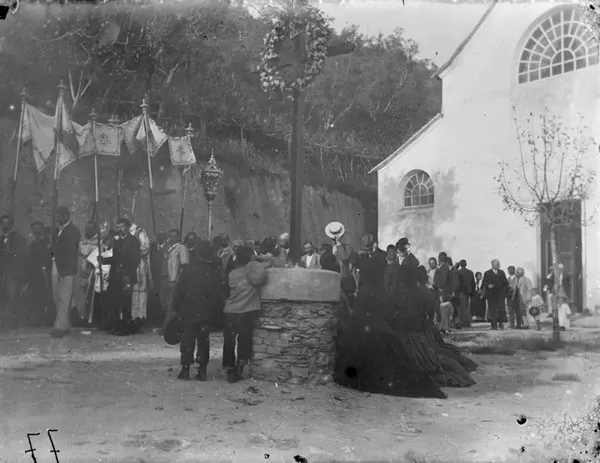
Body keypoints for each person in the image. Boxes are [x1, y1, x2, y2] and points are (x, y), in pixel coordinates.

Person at [174, 240, 224, 381]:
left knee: (187, 339)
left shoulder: (187, 271)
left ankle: (185, 369)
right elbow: (217, 295)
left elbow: (179, 292)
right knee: (203, 340)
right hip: (205, 312)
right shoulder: (213, 273)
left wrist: (176, 308)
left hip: (188, 310)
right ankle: (202, 371)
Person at [223, 246, 271, 383]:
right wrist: (259, 259)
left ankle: (230, 369)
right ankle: (240, 366)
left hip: (230, 310)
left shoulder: (232, 273)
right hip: (246, 310)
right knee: (244, 340)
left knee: (229, 342)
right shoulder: (254, 269)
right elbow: (264, 272)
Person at [99, 217, 140, 336]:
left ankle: (125, 327)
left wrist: (128, 274)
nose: (119, 229)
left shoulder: (133, 241)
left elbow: (135, 260)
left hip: (126, 276)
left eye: (122, 226)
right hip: (115, 275)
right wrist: (105, 260)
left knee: (125, 303)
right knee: (114, 301)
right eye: (118, 227)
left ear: (128, 227)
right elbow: (116, 258)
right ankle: (115, 325)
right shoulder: (118, 242)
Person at [50, 207, 81, 337]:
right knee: (57, 296)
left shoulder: (73, 231)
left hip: (66, 268)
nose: (57, 219)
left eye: (59, 217)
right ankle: (65, 323)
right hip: (57, 264)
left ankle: (60, 327)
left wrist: (65, 268)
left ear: (65, 217)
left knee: (64, 297)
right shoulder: (59, 230)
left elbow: (70, 252)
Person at [122, 212, 152, 332]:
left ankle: (139, 318)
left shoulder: (139, 232)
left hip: (138, 265)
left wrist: (131, 252)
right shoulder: (124, 232)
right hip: (127, 265)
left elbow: (145, 248)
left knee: (139, 292)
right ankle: (128, 318)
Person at [0, 215, 28, 329]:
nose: (5, 226)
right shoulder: (0, 239)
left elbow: (23, 254)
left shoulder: (18, 238)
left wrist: (9, 255)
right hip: (2, 272)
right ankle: (3, 320)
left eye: (8, 223)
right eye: (3, 223)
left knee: (13, 296)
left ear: (11, 225)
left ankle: (12, 322)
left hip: (13, 272)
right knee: (3, 297)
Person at [160, 229, 189, 332]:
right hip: (165, 279)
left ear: (178, 237)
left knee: (171, 306)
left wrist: (178, 280)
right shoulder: (167, 248)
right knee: (164, 303)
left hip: (174, 280)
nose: (170, 238)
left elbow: (184, 266)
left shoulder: (182, 248)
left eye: (173, 236)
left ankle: (167, 328)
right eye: (169, 236)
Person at [27, 220, 53, 326]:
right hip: (34, 273)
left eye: (38, 230)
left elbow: (49, 256)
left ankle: (49, 319)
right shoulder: (32, 243)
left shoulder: (48, 242)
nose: (36, 232)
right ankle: (37, 320)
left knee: (47, 295)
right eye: (34, 230)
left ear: (42, 230)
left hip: (45, 272)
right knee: (35, 296)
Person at [482, 259, 509, 330]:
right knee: (492, 311)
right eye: (497, 264)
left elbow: (506, 283)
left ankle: (500, 324)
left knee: (501, 310)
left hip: (500, 295)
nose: (498, 265)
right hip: (491, 295)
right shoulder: (487, 273)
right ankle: (494, 326)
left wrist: (504, 289)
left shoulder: (502, 272)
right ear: (492, 265)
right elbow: (484, 282)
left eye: (498, 264)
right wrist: (488, 285)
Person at [457, 260, 475, 328]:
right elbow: (473, 283)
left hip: (461, 291)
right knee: (467, 307)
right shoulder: (470, 272)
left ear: (460, 264)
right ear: (466, 264)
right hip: (468, 292)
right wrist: (472, 293)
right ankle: (468, 322)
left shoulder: (458, 272)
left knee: (462, 308)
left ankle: (464, 322)